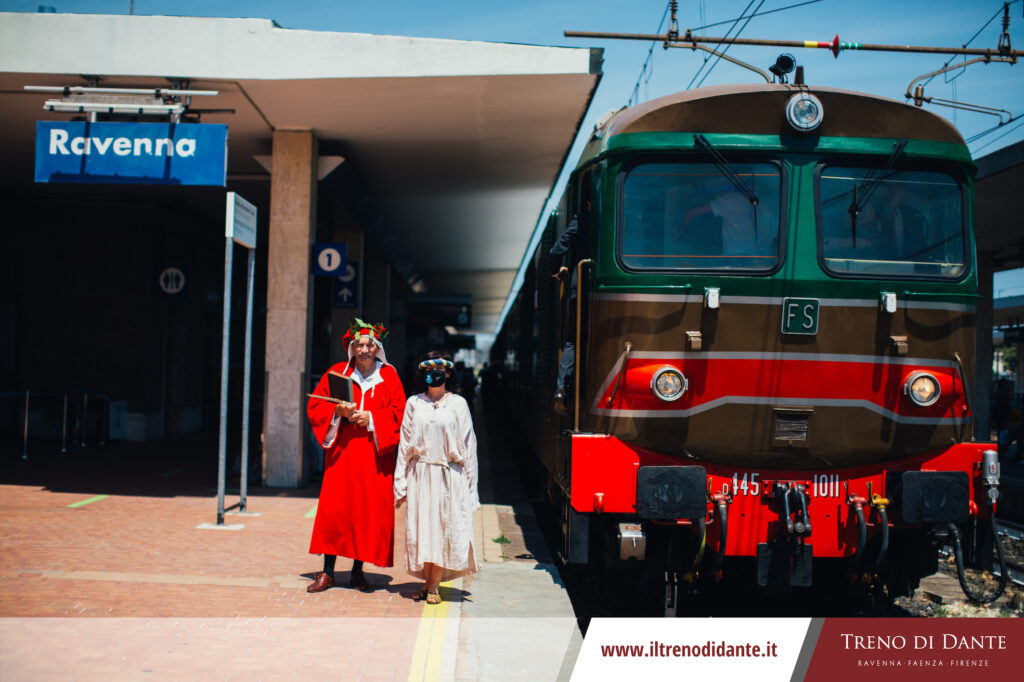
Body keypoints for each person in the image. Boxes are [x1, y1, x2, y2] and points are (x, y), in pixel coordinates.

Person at [305, 319, 407, 593]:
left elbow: (400, 414)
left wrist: (371, 418)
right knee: (335, 511)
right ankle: (327, 572)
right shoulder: (337, 373)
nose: (364, 349)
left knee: (365, 511)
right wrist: (338, 413)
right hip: (343, 453)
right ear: (352, 347)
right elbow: (316, 405)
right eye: (359, 344)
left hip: (374, 455)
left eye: (369, 344)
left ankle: (357, 571)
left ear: (377, 347)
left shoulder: (389, 377)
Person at [394, 351, 480, 604]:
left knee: (444, 528)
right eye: (429, 371)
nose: (435, 375)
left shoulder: (458, 404)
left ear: (449, 373)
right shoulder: (413, 403)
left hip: (448, 475)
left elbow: (468, 446)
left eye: (440, 370)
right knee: (423, 530)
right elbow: (404, 445)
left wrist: (470, 486)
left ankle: (433, 587)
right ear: (422, 374)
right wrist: (400, 483)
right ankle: (427, 583)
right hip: (420, 474)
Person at [549, 199, 589, 414]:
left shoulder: (582, 220)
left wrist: (556, 272)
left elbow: (556, 250)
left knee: (573, 340)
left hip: (581, 289)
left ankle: (561, 389)